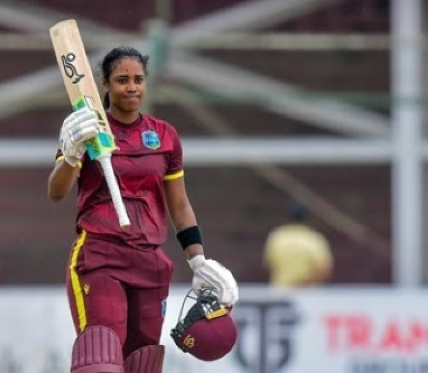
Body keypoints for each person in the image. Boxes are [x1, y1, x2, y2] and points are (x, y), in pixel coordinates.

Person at [47, 46, 238, 373]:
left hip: (150, 261)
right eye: (122, 80)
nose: (132, 87)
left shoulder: (164, 136)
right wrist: (71, 152)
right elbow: (56, 191)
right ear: (104, 85)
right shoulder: (87, 130)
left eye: (138, 79)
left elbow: (179, 204)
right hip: (100, 254)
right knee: (102, 356)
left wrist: (198, 259)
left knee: (143, 361)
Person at [263, 200, 333, 289]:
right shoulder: (314, 239)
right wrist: (305, 284)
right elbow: (324, 270)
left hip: (281, 294)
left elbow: (268, 264)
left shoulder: (277, 237)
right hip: (308, 296)